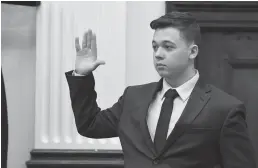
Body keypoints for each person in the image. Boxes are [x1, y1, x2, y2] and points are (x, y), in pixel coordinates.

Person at [65, 11, 256, 168]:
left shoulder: (224, 108)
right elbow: (89, 125)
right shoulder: (134, 97)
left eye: (168, 47)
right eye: (154, 46)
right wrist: (81, 76)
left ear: (192, 52)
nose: (158, 54)